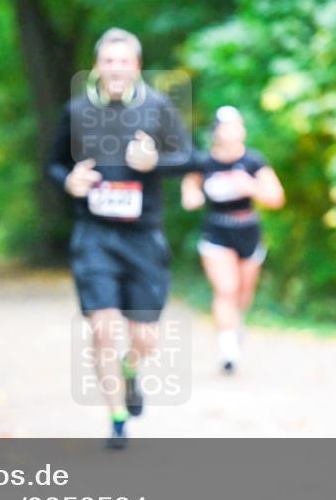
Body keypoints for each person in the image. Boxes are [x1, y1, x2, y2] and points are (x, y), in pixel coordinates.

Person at [47, 28, 193, 449]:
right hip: (94, 234)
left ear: (136, 66)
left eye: (123, 61)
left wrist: (153, 162)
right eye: (108, 61)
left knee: (144, 337)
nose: (115, 68)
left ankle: (131, 371)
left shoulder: (158, 108)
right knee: (102, 329)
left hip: (143, 236)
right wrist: (69, 180)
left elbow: (186, 157)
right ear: (97, 66)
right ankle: (116, 419)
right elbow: (54, 164)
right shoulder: (76, 111)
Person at [180, 106, 284, 373]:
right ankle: (228, 350)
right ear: (216, 132)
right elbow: (190, 186)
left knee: (242, 294)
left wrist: (251, 186)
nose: (234, 131)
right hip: (216, 231)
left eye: (238, 125)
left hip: (248, 229)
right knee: (226, 289)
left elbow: (276, 198)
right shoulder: (205, 163)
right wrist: (192, 196)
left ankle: (234, 327)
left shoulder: (253, 161)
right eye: (228, 126)